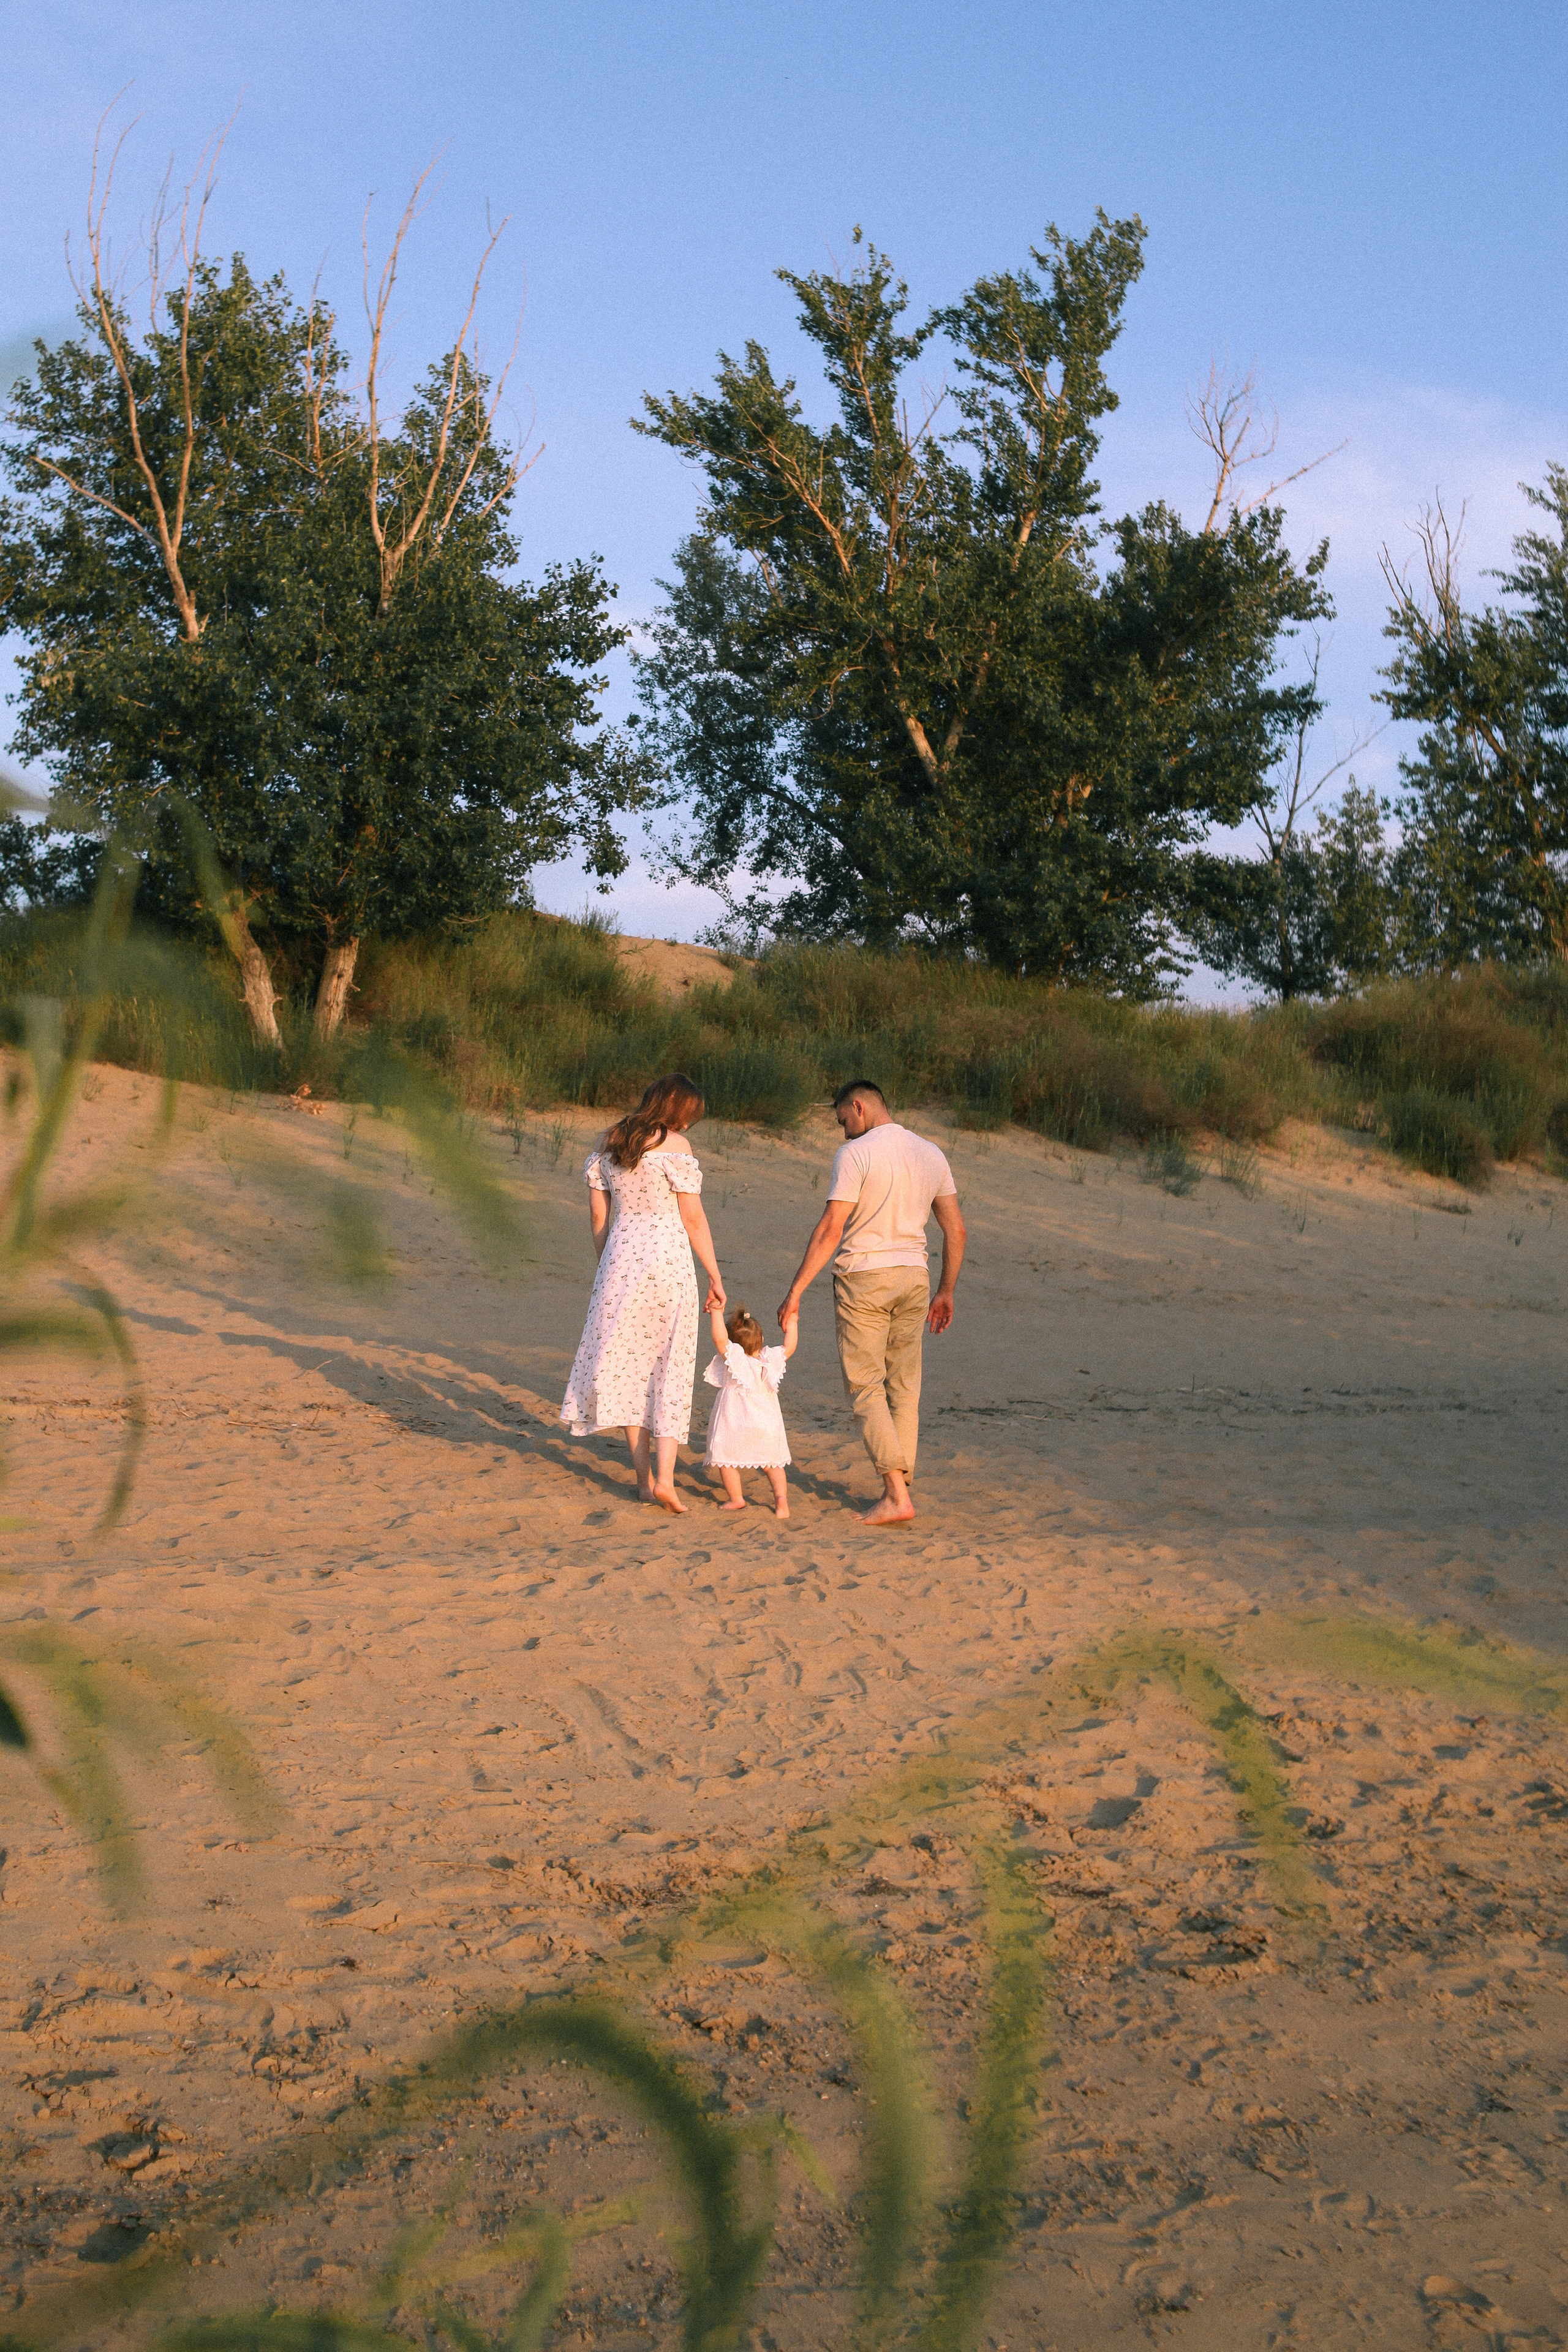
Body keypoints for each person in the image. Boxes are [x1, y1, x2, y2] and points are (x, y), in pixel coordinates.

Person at [778, 1079, 965, 1526]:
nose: (844, 1131)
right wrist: (946, 1290)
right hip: (915, 1277)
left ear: (859, 1107)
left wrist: (796, 1291)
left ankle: (897, 1495)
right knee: (904, 1387)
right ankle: (898, 1486)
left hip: (865, 1278)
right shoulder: (931, 1153)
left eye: (844, 1120)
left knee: (865, 1386)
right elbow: (955, 1231)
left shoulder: (856, 1154)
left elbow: (831, 1228)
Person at [560, 1072, 724, 1514]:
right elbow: (693, 1220)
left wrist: (606, 1263)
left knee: (628, 1370)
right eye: (687, 1117)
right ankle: (668, 1480)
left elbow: (599, 1213)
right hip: (668, 1261)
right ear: (676, 1109)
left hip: (621, 1261)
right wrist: (715, 1274)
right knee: (669, 1366)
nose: (688, 1127)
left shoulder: (609, 1139)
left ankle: (643, 1481)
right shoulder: (676, 1147)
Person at [703, 1300, 798, 1518]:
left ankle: (737, 1499)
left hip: (734, 1422)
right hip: (766, 1424)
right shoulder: (769, 1361)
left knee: (726, 1460)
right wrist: (792, 1322)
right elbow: (790, 1346)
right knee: (772, 1463)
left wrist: (716, 1314)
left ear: (733, 1342)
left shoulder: (733, 1360)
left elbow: (719, 1338)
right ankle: (781, 1500)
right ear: (762, 1341)